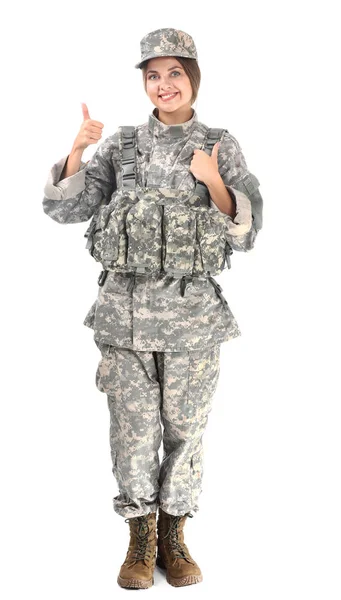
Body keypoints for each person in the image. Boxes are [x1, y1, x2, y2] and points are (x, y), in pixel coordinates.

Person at [42, 27, 263, 589]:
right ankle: (139, 538)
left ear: (193, 78)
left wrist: (213, 181)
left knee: (186, 430)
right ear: (144, 82)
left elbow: (246, 231)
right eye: (153, 76)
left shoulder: (218, 142)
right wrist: (77, 151)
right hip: (125, 314)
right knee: (133, 430)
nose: (163, 85)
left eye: (175, 74)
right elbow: (64, 210)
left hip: (193, 319)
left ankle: (175, 533)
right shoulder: (119, 146)